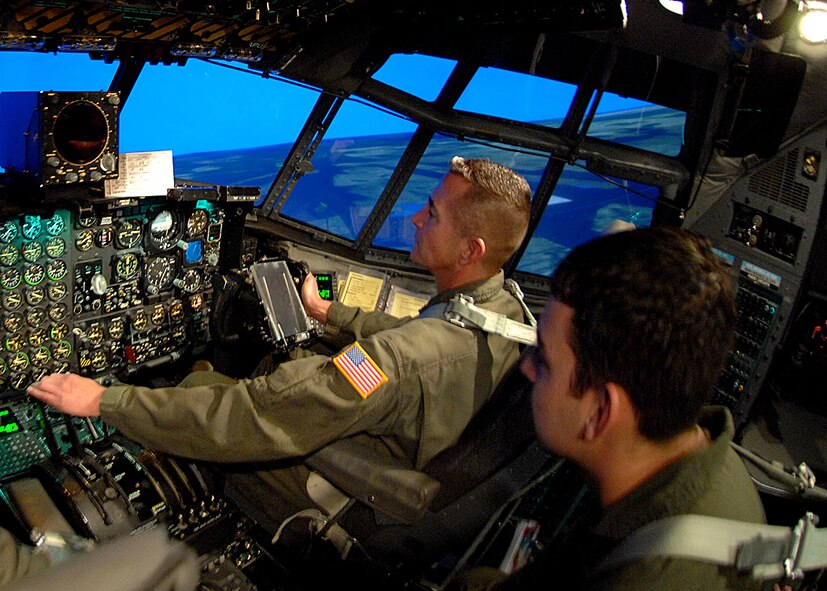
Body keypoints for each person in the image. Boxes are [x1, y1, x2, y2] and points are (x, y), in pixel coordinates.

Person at [26, 156, 534, 529]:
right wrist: (324, 311)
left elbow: (255, 416)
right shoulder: (504, 311)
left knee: (206, 383)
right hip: (407, 472)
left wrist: (104, 400)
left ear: (471, 249)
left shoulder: (395, 362)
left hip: (353, 497)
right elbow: (414, 339)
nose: (418, 219)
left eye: (433, 214)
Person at [451, 226, 767, 591]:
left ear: (600, 412)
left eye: (545, 360)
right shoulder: (709, 454)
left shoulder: (646, 577)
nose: (527, 367)